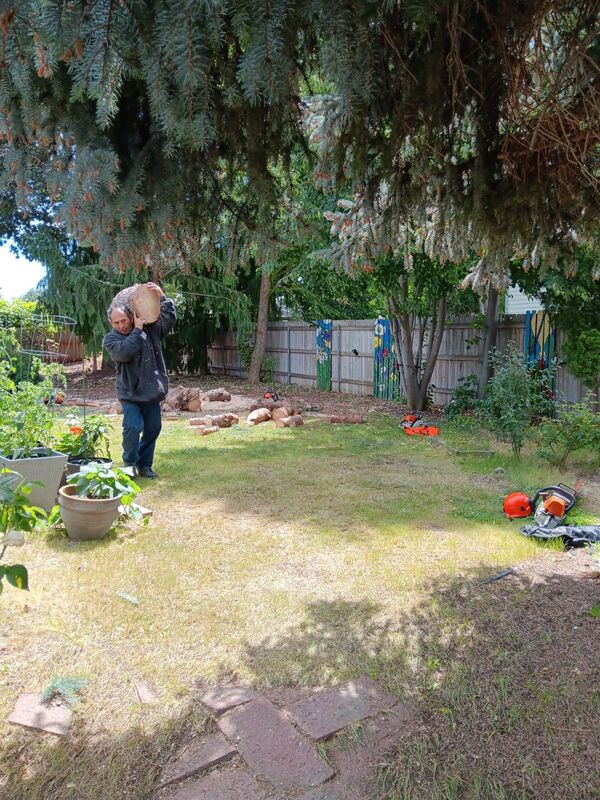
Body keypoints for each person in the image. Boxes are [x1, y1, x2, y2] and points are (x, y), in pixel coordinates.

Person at [103, 282, 176, 479]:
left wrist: (162, 297)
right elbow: (126, 352)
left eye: (123, 320)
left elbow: (169, 320)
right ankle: (129, 464)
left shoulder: (151, 330)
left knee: (153, 428)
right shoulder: (111, 340)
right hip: (130, 393)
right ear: (112, 323)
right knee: (132, 427)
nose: (120, 325)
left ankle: (145, 465)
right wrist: (136, 330)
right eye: (116, 322)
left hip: (151, 391)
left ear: (131, 316)